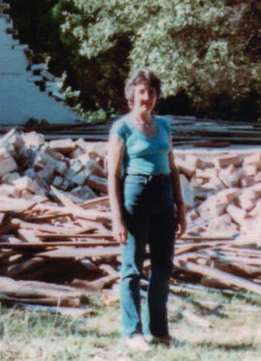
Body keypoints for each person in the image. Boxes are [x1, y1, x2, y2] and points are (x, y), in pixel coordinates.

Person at [106, 68, 186, 349]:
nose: (147, 97)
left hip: (163, 197)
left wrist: (181, 207)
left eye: (151, 92)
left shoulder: (163, 125)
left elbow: (174, 168)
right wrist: (117, 219)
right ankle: (132, 333)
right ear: (132, 95)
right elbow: (113, 175)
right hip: (135, 197)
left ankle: (160, 333)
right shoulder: (123, 128)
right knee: (132, 267)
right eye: (142, 92)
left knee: (163, 266)